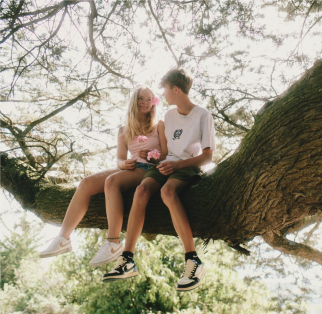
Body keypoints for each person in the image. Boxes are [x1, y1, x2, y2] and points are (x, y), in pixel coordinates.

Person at [102, 68, 215, 292]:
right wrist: (153, 157)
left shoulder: (203, 115)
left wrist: (178, 165)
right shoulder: (169, 117)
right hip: (166, 165)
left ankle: (193, 260)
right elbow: (165, 152)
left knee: (167, 192)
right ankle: (127, 259)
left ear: (175, 89)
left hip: (187, 166)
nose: (161, 95)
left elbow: (208, 156)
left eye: (164, 89)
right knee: (141, 191)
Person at [40, 86, 163, 268]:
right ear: (134, 101)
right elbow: (120, 158)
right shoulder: (124, 130)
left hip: (148, 169)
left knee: (111, 182)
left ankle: (113, 242)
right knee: (86, 183)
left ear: (153, 103)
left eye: (149, 99)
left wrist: (153, 155)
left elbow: (168, 154)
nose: (145, 102)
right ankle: (63, 239)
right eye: (141, 98)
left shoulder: (159, 125)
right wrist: (123, 164)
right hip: (131, 167)